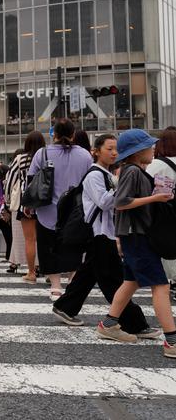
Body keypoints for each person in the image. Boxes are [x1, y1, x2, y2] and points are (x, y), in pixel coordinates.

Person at [51, 134, 158, 339]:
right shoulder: (94, 175)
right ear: (97, 151)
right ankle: (133, 323)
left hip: (104, 233)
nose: (114, 153)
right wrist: (125, 191)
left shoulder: (107, 174)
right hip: (97, 233)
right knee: (114, 280)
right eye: (109, 148)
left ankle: (65, 307)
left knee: (88, 274)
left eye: (116, 149)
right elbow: (104, 202)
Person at [95, 129, 176, 358]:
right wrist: (155, 198)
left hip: (134, 235)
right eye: (149, 146)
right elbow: (121, 203)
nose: (153, 149)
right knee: (160, 285)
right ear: (138, 151)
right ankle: (172, 341)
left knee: (131, 281)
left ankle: (109, 325)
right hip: (137, 235)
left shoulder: (135, 170)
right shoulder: (132, 171)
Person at [27, 119, 93, 301]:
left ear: (53, 134)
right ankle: (72, 280)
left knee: (49, 247)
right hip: (76, 210)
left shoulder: (42, 153)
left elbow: (31, 180)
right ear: (73, 134)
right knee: (74, 245)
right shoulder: (85, 155)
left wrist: (29, 206)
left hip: (47, 209)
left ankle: (55, 287)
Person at [5, 131, 45, 281]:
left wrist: (8, 201)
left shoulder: (20, 159)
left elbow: (10, 181)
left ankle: (31, 272)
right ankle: (47, 270)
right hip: (45, 203)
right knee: (45, 239)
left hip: (27, 202)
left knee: (30, 239)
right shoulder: (47, 157)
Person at [146, 126, 176, 286]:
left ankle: (170, 280)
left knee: (167, 246)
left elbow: (143, 185)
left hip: (164, 212)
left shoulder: (157, 164)